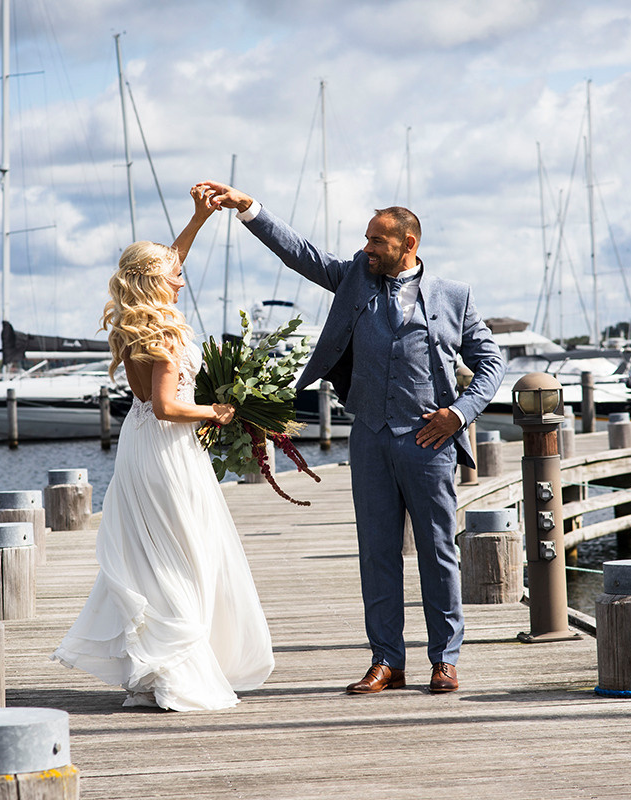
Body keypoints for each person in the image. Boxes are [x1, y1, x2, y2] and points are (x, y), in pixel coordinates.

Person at [198, 180, 505, 695]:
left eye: (376, 242)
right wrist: (247, 208)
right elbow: (301, 253)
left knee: (437, 552)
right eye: (365, 240)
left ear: (408, 245)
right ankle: (387, 659)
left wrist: (460, 413)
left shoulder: (455, 296)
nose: (366, 249)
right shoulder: (353, 279)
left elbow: (492, 363)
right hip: (369, 436)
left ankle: (444, 659)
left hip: (428, 442)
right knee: (376, 553)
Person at [51, 187, 274, 711]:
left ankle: (156, 665)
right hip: (169, 447)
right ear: (155, 283)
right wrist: (220, 412)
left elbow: (169, 261)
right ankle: (177, 669)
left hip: (139, 446)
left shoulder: (135, 326)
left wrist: (197, 218)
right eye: (173, 274)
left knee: (156, 554)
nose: (182, 275)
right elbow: (169, 405)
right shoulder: (167, 335)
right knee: (186, 554)